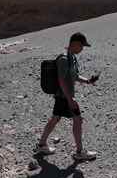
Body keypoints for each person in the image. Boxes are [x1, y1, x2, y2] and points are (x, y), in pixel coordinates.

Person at [34, 32, 99, 161]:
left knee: (55, 118)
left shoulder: (72, 57)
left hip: (63, 97)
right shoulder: (64, 59)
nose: (82, 49)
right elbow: (61, 81)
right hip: (64, 97)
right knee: (77, 120)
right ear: (74, 44)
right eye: (81, 46)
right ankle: (80, 152)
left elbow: (73, 76)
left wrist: (87, 81)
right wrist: (70, 99)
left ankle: (42, 144)